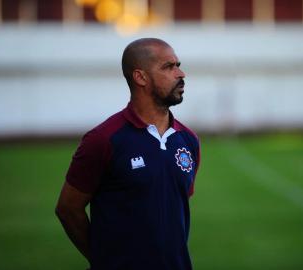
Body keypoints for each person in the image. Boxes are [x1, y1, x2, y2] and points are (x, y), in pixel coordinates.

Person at [55, 38, 201, 270]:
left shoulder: (189, 140)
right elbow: (67, 209)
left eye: (178, 65)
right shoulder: (103, 140)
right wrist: (103, 260)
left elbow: (173, 209)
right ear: (140, 77)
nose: (181, 73)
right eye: (168, 67)